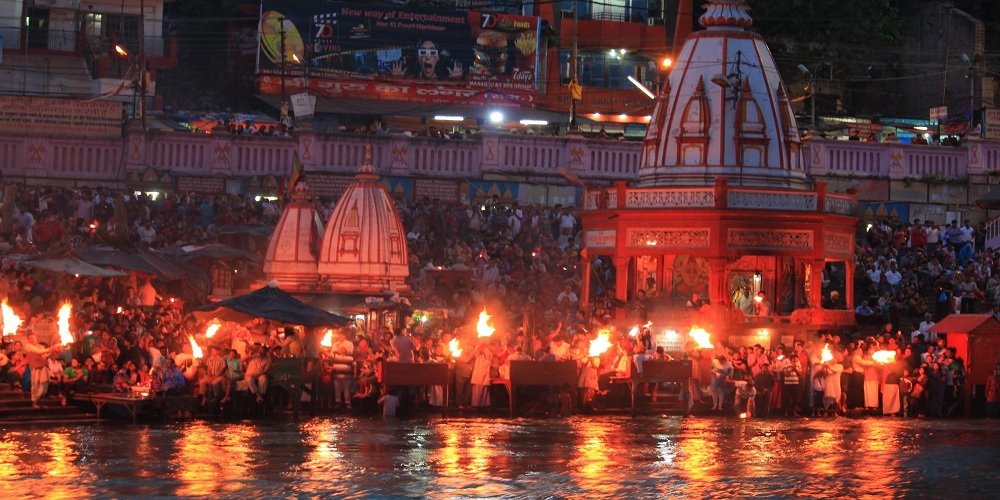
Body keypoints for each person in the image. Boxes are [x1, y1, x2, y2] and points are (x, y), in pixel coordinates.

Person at [24, 333, 51, 408]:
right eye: (30, 338)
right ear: (28, 339)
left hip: (43, 367)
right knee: (36, 386)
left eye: (33, 338)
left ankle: (40, 402)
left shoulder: (40, 346)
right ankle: (34, 403)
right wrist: (50, 348)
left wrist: (52, 352)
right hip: (35, 368)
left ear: (36, 338)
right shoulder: (28, 346)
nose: (32, 339)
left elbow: (44, 356)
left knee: (44, 387)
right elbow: (38, 352)